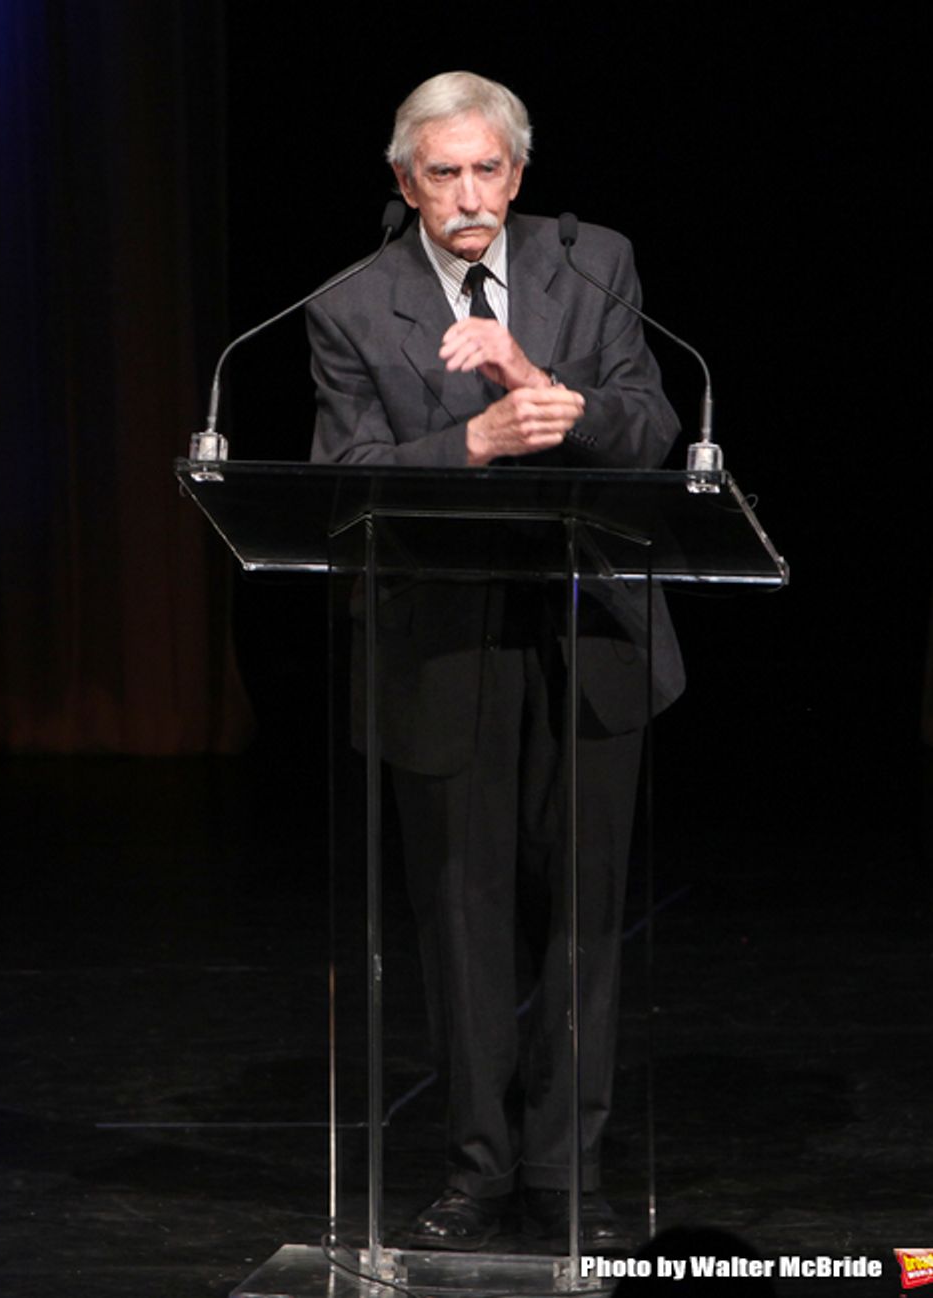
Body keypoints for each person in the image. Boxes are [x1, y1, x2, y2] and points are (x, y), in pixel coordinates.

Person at [307, 71, 684, 1251]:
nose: (467, 196)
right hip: (441, 639)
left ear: (518, 175)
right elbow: (344, 476)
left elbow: (653, 427)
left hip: (589, 628)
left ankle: (571, 1171)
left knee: (584, 915)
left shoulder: (594, 264)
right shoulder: (350, 305)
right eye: (442, 173)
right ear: (404, 181)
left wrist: (537, 385)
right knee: (461, 915)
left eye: (487, 171)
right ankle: (477, 1168)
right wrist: (467, 440)